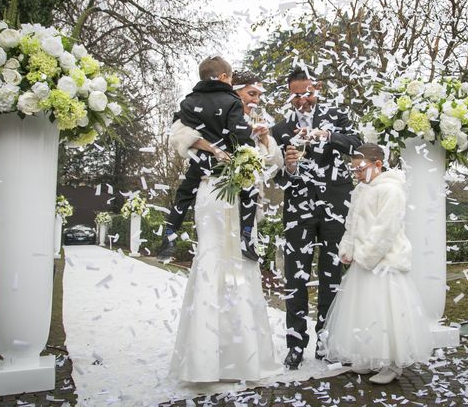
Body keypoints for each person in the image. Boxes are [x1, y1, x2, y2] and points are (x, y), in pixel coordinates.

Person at [169, 68, 283, 382]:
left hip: (245, 207)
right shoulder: (209, 116)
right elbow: (181, 137)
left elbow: (271, 170)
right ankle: (204, 360)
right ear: (236, 93)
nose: (257, 100)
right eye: (252, 94)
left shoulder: (255, 126)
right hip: (214, 196)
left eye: (259, 95)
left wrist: (264, 140)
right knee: (213, 263)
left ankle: (242, 358)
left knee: (241, 270)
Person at [320, 143, 434, 384]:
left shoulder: (392, 190)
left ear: (377, 164)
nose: (357, 174)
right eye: (354, 170)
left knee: (386, 313)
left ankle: (392, 363)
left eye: (360, 169)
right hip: (362, 262)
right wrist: (347, 247)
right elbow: (351, 223)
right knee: (364, 310)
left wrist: (365, 255)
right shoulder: (360, 190)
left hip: (384, 263)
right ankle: (368, 355)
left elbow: (386, 228)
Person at [272, 68, 362, 369]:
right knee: (295, 278)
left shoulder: (337, 115)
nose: (301, 100)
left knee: (331, 276)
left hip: (335, 205)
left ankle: (326, 342)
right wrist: (290, 168)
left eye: (306, 93)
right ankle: (295, 344)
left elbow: (357, 145)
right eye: (295, 95)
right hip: (298, 211)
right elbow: (277, 178)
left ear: (317, 88)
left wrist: (327, 135)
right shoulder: (280, 130)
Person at [157, 58, 260, 263]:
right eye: (230, 79)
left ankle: (168, 236)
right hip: (226, 164)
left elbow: (179, 124)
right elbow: (238, 135)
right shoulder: (231, 102)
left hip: (199, 163)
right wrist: (249, 144)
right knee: (251, 193)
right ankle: (246, 238)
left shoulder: (188, 102)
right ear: (223, 77)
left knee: (184, 195)